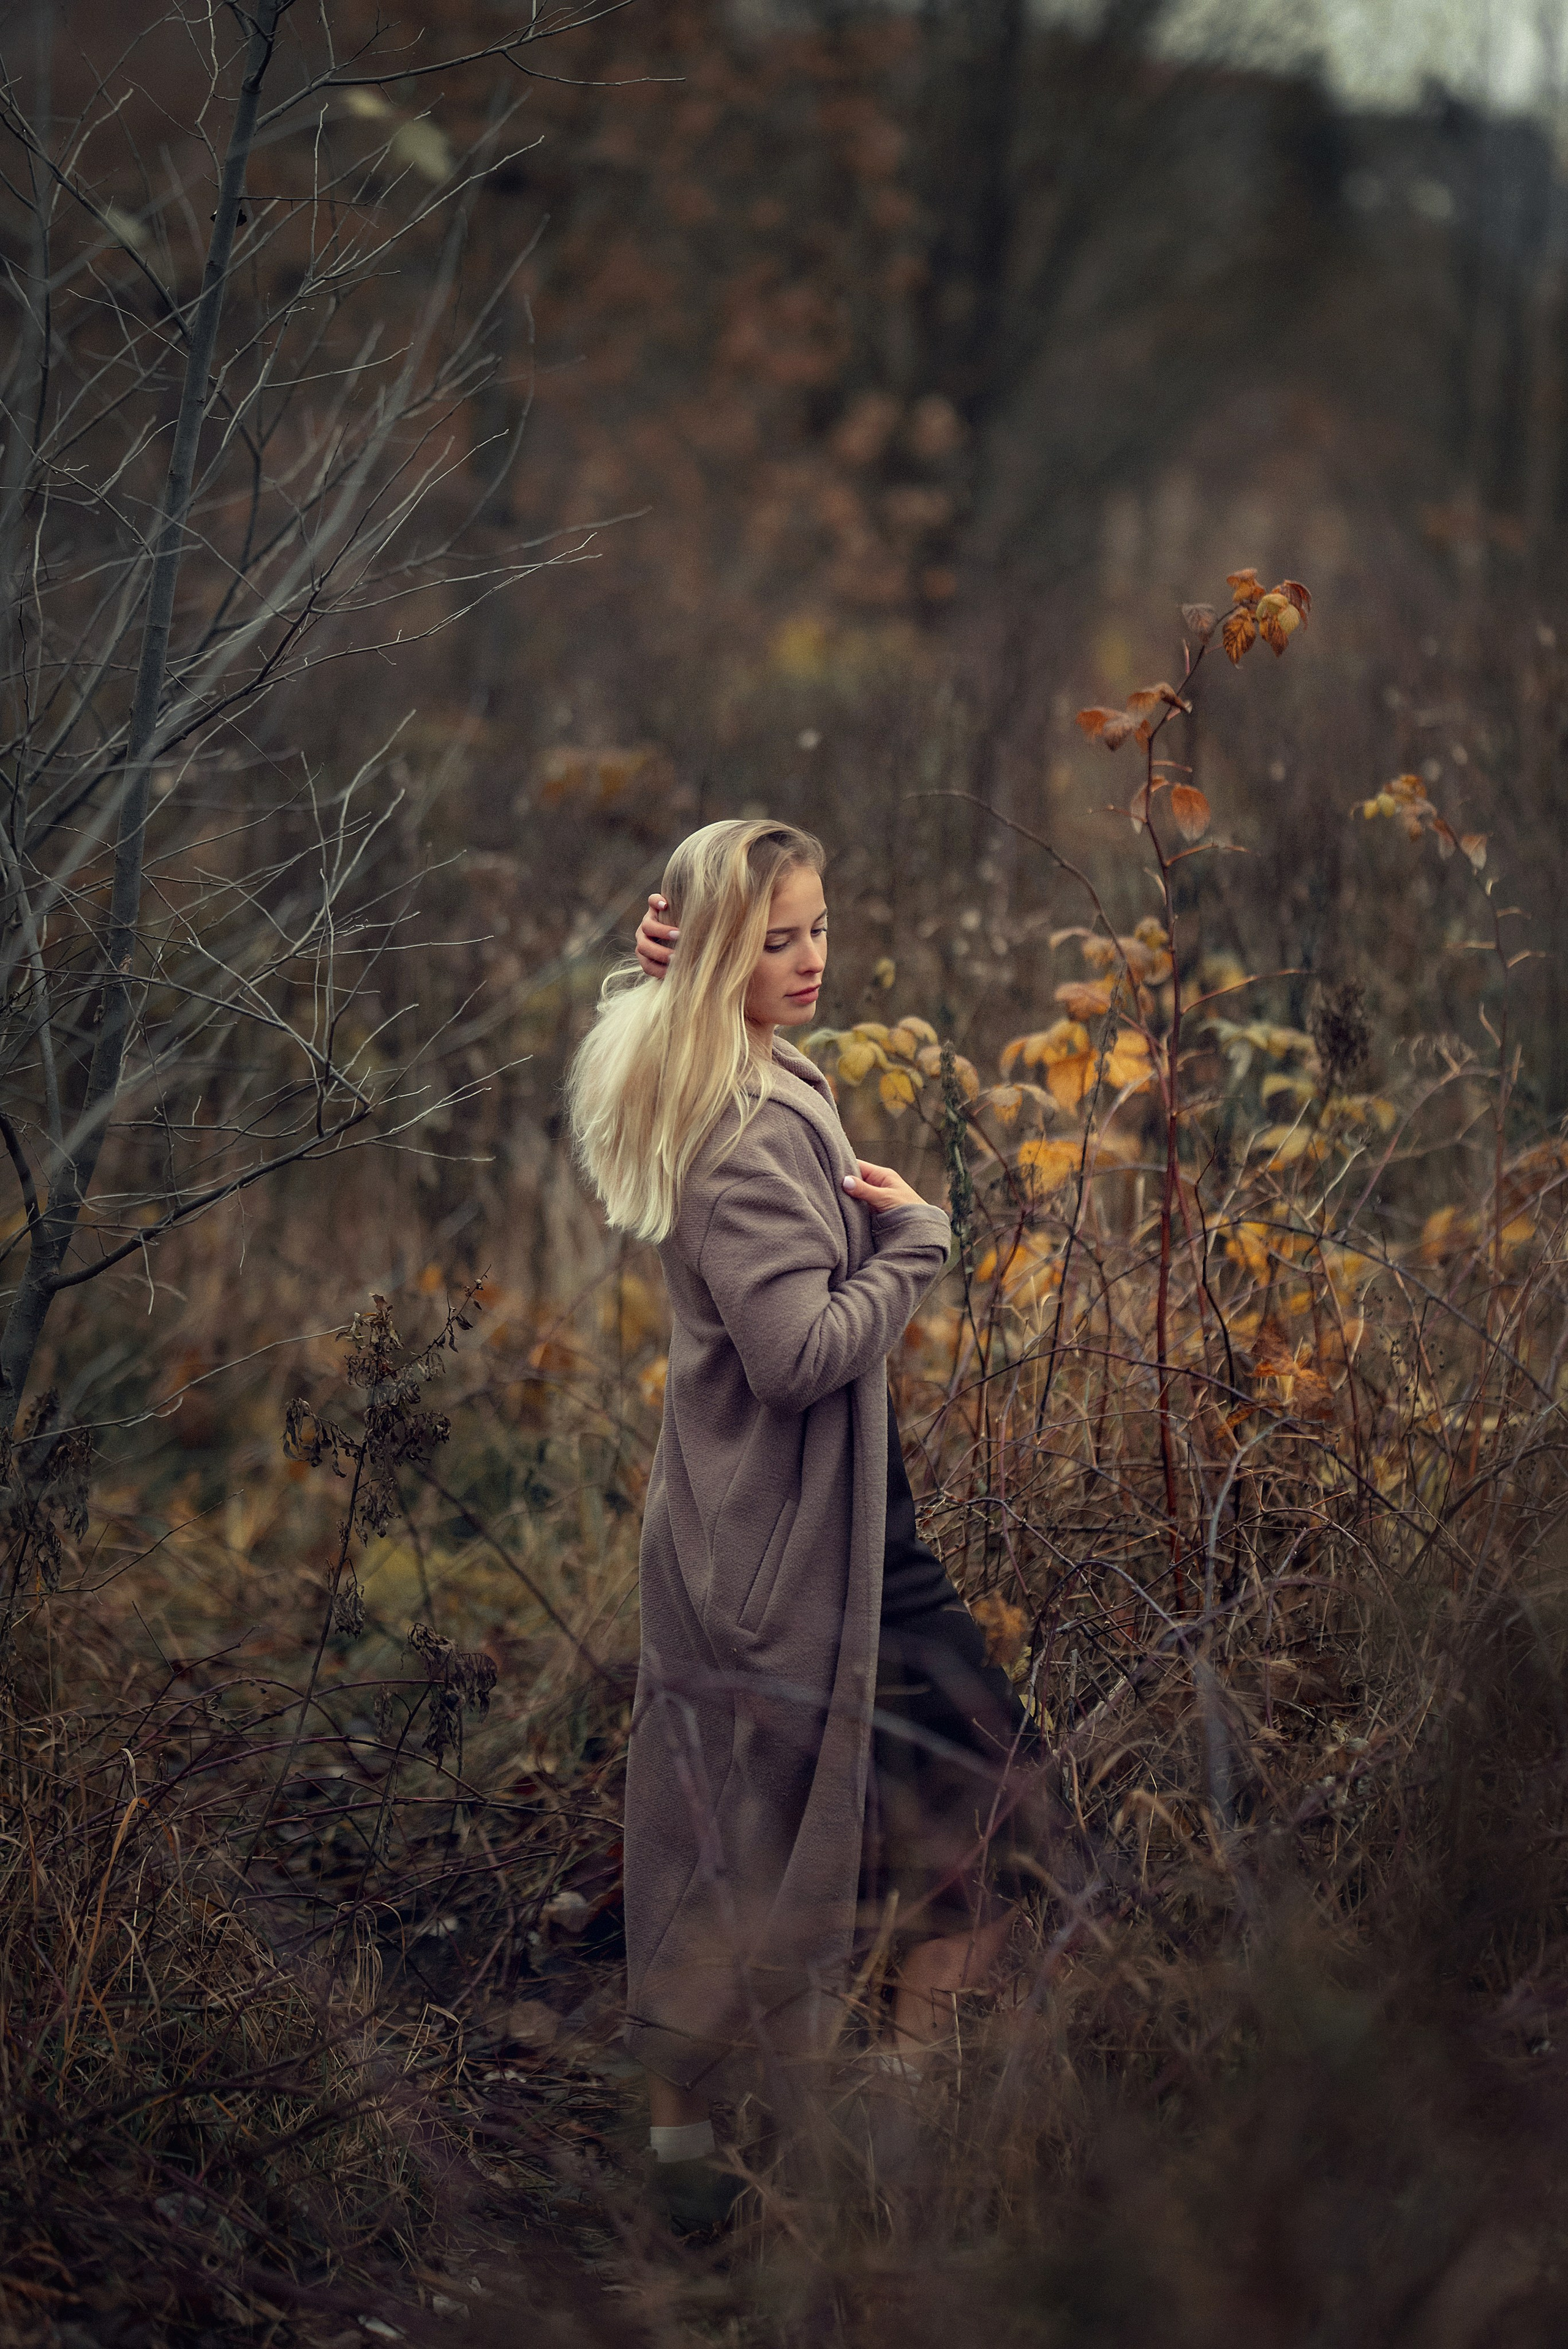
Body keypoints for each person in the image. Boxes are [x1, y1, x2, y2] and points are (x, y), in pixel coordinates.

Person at [566, 820, 1033, 2223]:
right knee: (943, 1820)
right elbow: (795, 1354)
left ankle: (810, 2140)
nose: (812, 957)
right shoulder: (744, 1135)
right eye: (775, 939)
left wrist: (672, 966)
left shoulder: (733, 1066)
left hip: (798, 1532)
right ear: (721, 958)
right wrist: (919, 1247)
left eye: (818, 926)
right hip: (790, 1555)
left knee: (767, 1845)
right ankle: (825, 2152)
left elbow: (688, 1021)